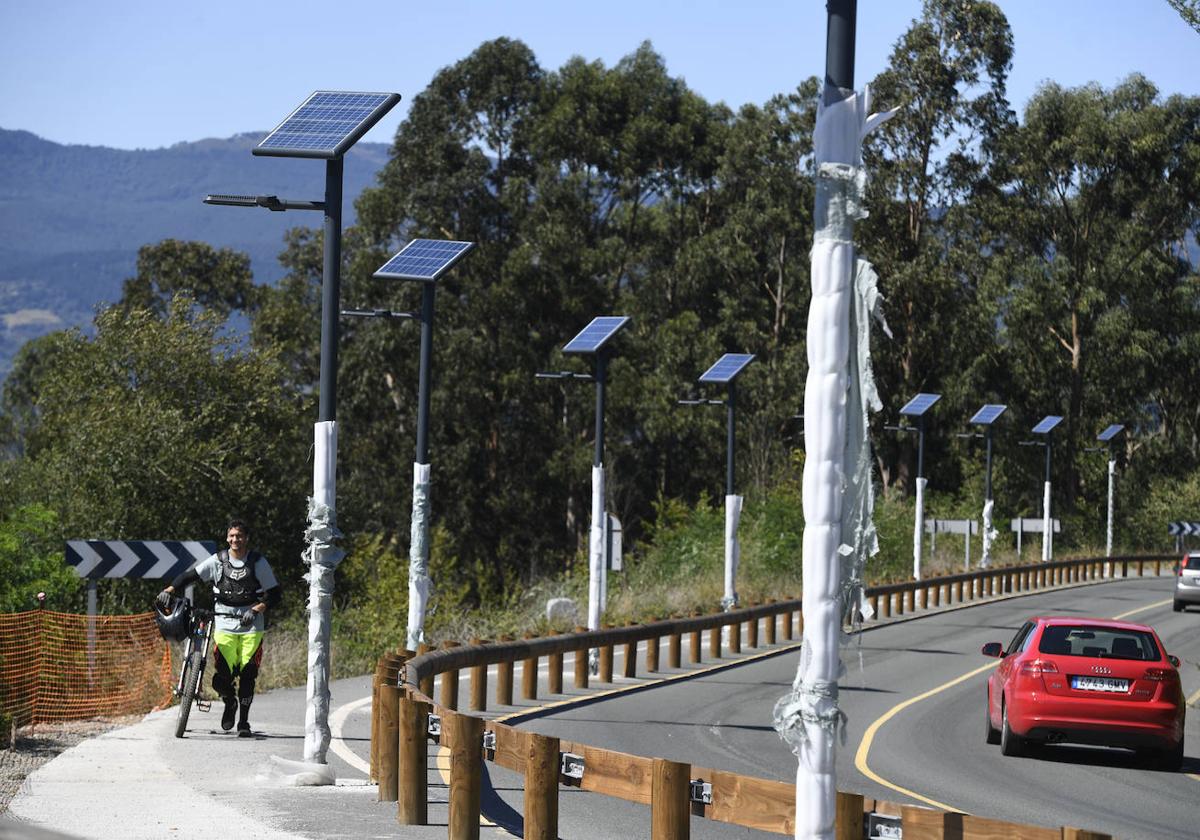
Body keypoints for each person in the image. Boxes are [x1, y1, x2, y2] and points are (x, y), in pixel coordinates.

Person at [157, 519, 280, 737]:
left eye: (240, 536)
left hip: (251, 626)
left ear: (246, 538)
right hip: (223, 623)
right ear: (227, 538)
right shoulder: (218, 561)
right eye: (232, 535)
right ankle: (229, 701)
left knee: (248, 673)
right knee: (221, 677)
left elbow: (275, 594)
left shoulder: (257, 562)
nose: (235, 539)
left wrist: (257, 609)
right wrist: (169, 589)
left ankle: (243, 722)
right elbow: (190, 576)